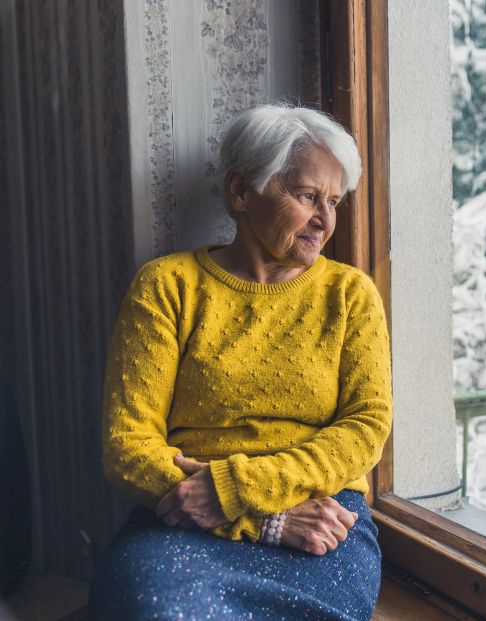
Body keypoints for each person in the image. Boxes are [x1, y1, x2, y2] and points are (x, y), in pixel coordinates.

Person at [87, 103, 393, 621]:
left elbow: (366, 428)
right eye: (307, 196)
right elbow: (127, 446)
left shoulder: (350, 296)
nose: (326, 220)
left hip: (322, 519)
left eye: (334, 202)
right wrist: (264, 520)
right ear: (240, 191)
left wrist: (235, 489)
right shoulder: (168, 286)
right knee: (156, 609)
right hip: (181, 519)